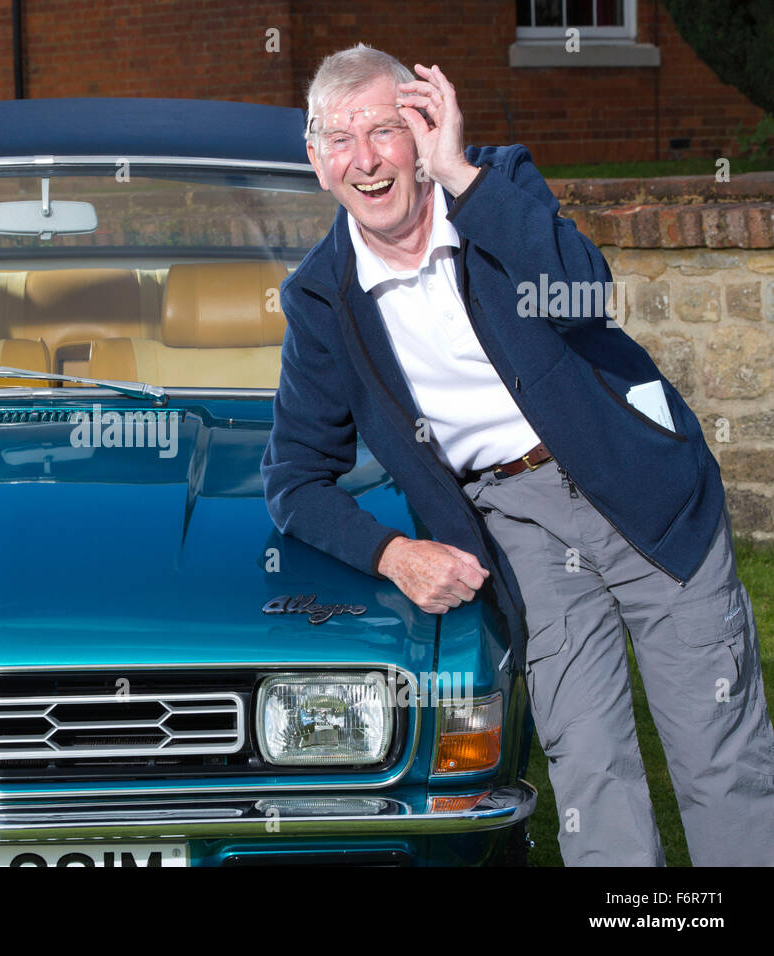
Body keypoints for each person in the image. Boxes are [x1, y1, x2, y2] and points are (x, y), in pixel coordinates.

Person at [261, 42, 774, 865]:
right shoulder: (322, 298)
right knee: (590, 765)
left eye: (386, 131)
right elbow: (293, 481)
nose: (366, 160)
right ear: (316, 160)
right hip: (518, 530)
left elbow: (589, 291)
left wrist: (461, 175)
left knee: (719, 755)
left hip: (638, 486)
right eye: (341, 138)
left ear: (421, 131)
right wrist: (393, 553)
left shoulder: (493, 188)